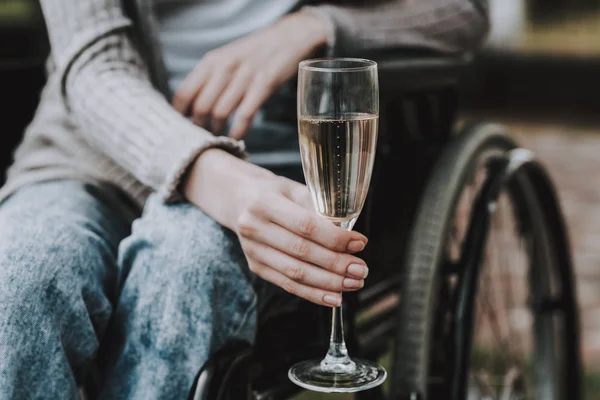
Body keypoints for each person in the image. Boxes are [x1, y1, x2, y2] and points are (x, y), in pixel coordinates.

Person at [0, 0, 490, 398]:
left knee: (187, 263)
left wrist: (316, 25)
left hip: (276, 167)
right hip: (86, 158)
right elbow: (93, 65)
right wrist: (212, 174)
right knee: (21, 273)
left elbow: (463, 12)